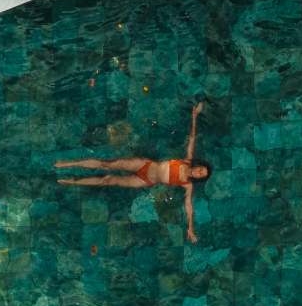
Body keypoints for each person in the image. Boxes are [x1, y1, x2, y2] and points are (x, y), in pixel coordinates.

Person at [56, 102, 211, 243]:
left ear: (198, 178)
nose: (198, 172)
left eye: (200, 175)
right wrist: (194, 115)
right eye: (201, 169)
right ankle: (69, 163)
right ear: (199, 165)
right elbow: (192, 138)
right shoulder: (187, 160)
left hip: (145, 181)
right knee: (106, 164)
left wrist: (190, 228)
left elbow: (188, 205)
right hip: (145, 165)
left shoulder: (188, 184)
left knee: (108, 180)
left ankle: (72, 181)